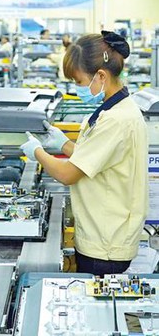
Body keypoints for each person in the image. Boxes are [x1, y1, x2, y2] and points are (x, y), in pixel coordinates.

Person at [20, 31, 148, 276]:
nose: (77, 88)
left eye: (79, 82)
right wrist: (64, 144)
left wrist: (36, 152)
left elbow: (68, 174)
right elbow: (98, 158)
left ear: (101, 76)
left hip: (105, 245)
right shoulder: (117, 108)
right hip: (105, 233)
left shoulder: (116, 119)